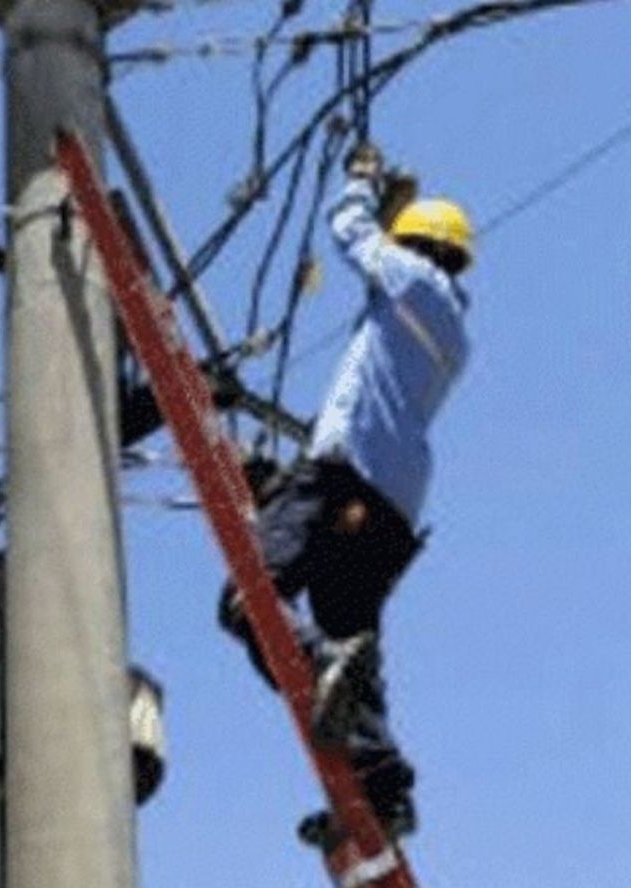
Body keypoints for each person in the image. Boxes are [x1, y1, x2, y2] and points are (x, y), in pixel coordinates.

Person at [219, 142, 475, 839]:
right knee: (347, 642)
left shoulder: (413, 280)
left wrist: (360, 185)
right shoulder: (452, 332)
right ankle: (382, 790)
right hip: (393, 511)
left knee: (250, 598)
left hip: (346, 473)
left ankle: (323, 664)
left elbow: (350, 235)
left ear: (418, 247)